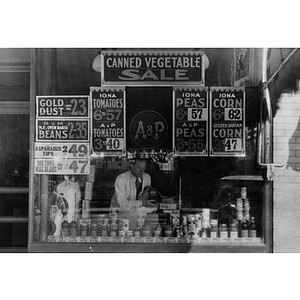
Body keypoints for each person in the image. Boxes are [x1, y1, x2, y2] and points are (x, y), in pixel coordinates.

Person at [110, 158, 158, 230]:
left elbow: (145, 196)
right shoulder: (121, 179)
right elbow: (122, 203)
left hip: (139, 215)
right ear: (132, 166)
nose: (141, 171)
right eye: (139, 167)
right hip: (121, 215)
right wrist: (142, 203)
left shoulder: (147, 177)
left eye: (143, 168)